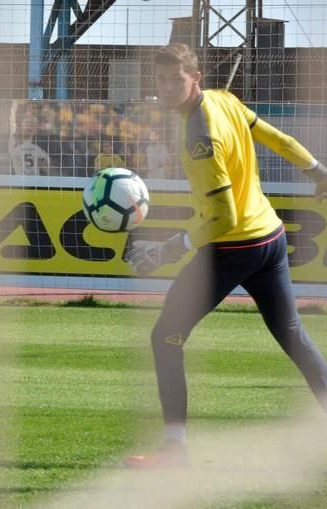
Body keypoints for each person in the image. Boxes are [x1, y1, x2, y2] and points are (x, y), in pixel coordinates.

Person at [124, 43, 327, 468]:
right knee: (294, 336)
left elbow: (223, 216)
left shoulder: (199, 135)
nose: (165, 88)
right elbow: (278, 137)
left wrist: (166, 250)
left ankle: (175, 451)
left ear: (195, 78)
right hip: (269, 237)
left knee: (165, 338)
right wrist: (316, 169)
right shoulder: (225, 99)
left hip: (234, 246)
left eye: (174, 79)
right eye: (159, 80)